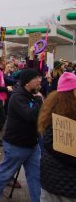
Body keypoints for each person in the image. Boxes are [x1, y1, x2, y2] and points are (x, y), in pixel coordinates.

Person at [0, 69, 43, 202]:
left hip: (32, 144)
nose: (40, 80)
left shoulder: (31, 94)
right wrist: (39, 101)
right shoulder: (18, 97)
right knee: (5, 173)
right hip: (16, 144)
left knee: (36, 176)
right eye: (36, 78)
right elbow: (30, 116)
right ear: (27, 82)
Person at [38, 72, 76, 201]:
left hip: (50, 181)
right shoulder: (64, 116)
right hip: (67, 185)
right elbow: (64, 151)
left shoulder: (51, 108)